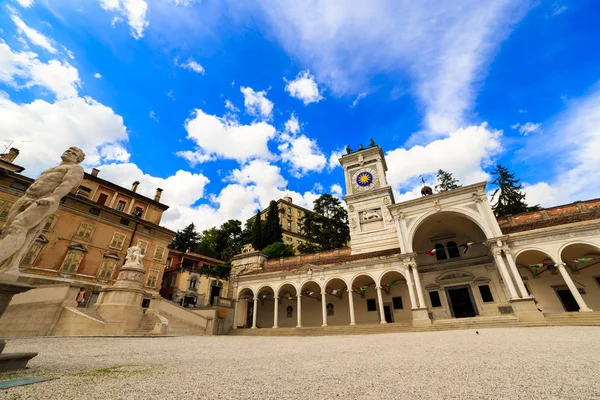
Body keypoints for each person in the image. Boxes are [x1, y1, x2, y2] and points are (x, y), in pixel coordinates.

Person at [0, 147, 85, 274]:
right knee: (7, 229)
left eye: (74, 154)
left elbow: (67, 184)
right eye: (68, 150)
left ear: (78, 160)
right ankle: (10, 266)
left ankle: (9, 264)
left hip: (45, 200)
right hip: (27, 197)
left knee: (18, 227)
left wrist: (54, 197)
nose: (69, 153)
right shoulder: (51, 169)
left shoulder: (75, 169)